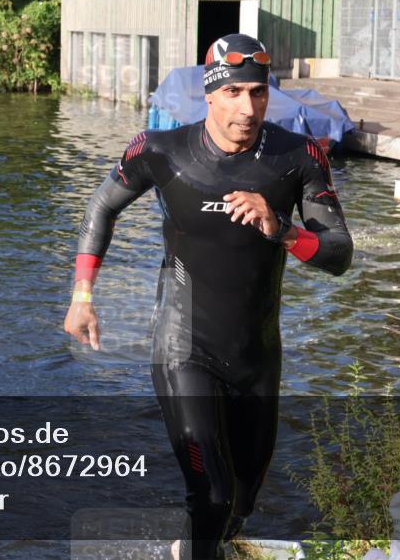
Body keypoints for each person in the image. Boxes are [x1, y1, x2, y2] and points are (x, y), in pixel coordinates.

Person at [63, 33, 353, 559]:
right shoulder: (161, 151)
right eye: (234, 93)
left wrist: (282, 229)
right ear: (210, 95)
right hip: (184, 346)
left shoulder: (298, 157)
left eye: (258, 93)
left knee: (241, 501)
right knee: (212, 494)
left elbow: (338, 253)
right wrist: (83, 296)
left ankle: (193, 546)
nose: (248, 108)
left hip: (256, 355)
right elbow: (101, 207)